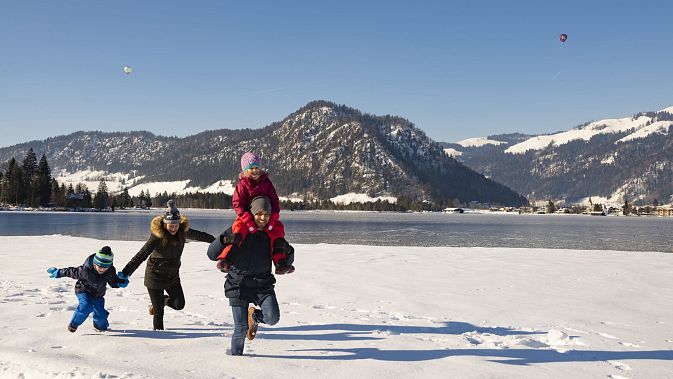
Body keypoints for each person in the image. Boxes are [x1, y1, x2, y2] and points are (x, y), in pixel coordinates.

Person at [207, 196, 295, 355]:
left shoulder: (272, 232)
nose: (263, 218)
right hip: (238, 284)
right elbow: (212, 254)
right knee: (240, 329)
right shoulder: (237, 228)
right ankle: (236, 360)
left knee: (272, 318)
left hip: (262, 284)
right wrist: (223, 240)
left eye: (267, 214)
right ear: (252, 213)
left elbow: (284, 259)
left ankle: (254, 317)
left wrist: (289, 250)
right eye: (259, 213)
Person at [119, 199, 215, 330]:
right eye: (170, 225)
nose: (173, 228)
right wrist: (126, 272)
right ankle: (160, 340)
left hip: (172, 277)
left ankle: (162, 301)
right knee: (159, 313)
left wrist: (218, 243)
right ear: (165, 224)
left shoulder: (183, 231)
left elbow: (202, 236)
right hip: (155, 276)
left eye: (176, 225)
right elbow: (141, 255)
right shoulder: (157, 236)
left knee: (179, 304)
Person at [47, 246, 129, 333]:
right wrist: (58, 272)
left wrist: (120, 283)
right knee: (86, 306)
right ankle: (73, 324)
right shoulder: (85, 270)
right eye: (100, 266)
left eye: (105, 267)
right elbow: (71, 271)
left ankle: (100, 327)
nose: (102, 269)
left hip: (98, 295)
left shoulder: (110, 271)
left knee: (100, 315)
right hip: (83, 290)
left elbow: (113, 282)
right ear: (94, 263)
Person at [233, 152, 281, 233]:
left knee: (278, 229)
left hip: (265, 217)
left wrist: (273, 219)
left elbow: (274, 201)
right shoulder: (243, 185)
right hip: (247, 218)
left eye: (257, 167)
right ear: (245, 170)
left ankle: (276, 244)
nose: (255, 170)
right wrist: (248, 222)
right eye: (251, 168)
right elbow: (238, 204)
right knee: (238, 229)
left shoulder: (266, 182)